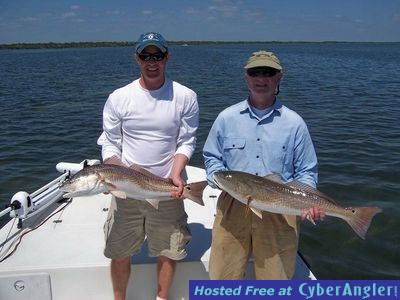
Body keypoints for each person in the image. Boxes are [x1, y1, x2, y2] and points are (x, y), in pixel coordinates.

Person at [203, 50, 325, 280]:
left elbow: (307, 171)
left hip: (281, 207)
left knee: (275, 280)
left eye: (268, 72)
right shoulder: (226, 118)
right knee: (222, 278)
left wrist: (308, 202)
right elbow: (211, 157)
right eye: (255, 72)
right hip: (233, 204)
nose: (261, 78)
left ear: (280, 77)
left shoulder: (294, 123)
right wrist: (219, 180)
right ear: (246, 77)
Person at [97, 32, 199, 300]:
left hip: (167, 187)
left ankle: (161, 298)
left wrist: (176, 174)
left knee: (168, 251)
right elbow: (110, 143)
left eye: (157, 56)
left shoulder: (185, 96)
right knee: (120, 252)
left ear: (167, 58)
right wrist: (116, 173)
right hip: (127, 189)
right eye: (145, 56)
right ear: (136, 58)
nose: (151, 62)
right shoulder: (119, 97)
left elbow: (186, 142)